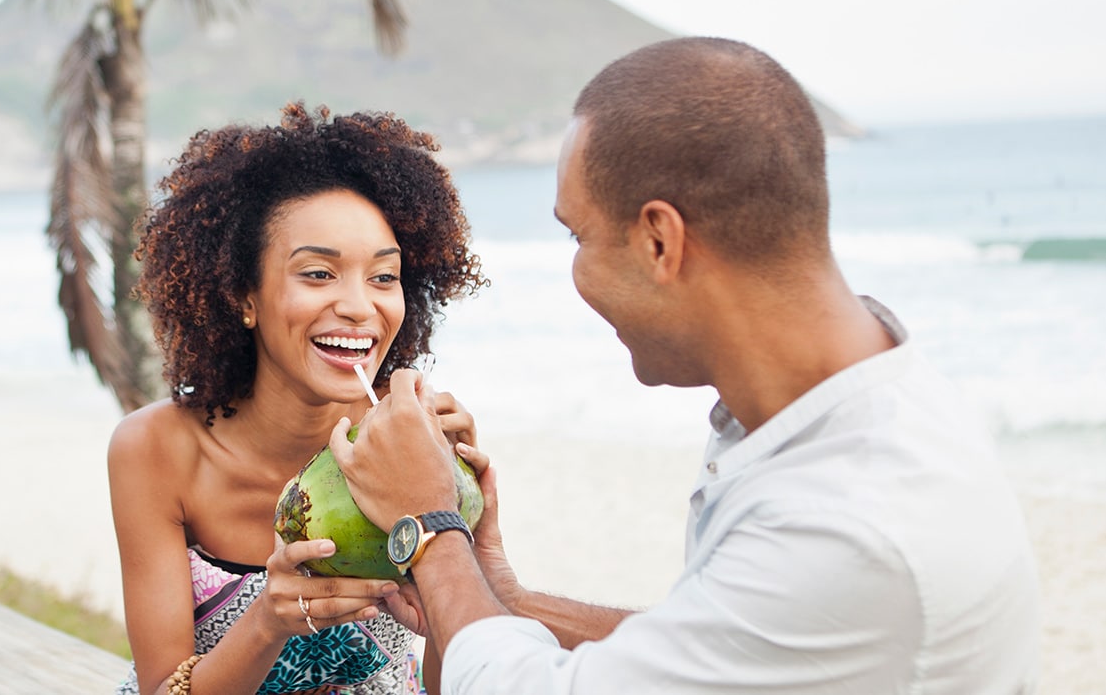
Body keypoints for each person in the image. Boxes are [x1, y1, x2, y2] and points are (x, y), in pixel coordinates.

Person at [331, 38, 1042, 693]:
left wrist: (426, 524)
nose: (576, 273)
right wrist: (505, 599)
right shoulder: (856, 393)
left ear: (659, 242)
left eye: (578, 236)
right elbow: (716, 649)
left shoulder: (843, 522)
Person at [109, 103, 488, 694]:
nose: (361, 306)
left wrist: (459, 524)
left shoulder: (407, 442)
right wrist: (268, 620)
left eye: (384, 277)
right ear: (243, 295)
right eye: (318, 274)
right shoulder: (157, 450)